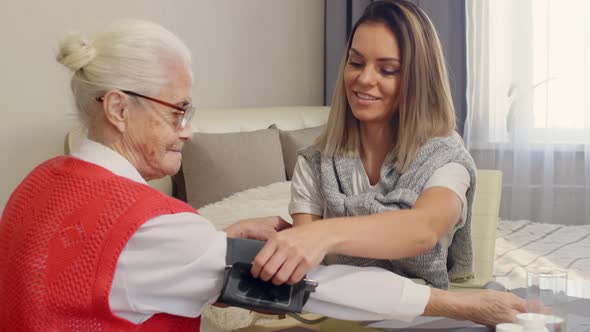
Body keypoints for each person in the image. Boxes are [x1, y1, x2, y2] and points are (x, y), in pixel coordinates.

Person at [0, 19, 525, 332]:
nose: (186, 131)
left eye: (389, 69)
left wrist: (219, 239)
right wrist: (466, 305)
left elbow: (123, 263)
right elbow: (315, 285)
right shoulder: (155, 226)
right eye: (178, 110)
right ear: (117, 108)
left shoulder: (35, 184)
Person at [252, 0, 476, 290]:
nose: (364, 79)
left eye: (387, 70)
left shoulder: (444, 154)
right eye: (356, 63)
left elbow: (424, 229)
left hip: (422, 315)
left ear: (418, 80)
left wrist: (324, 234)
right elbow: (306, 273)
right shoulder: (315, 163)